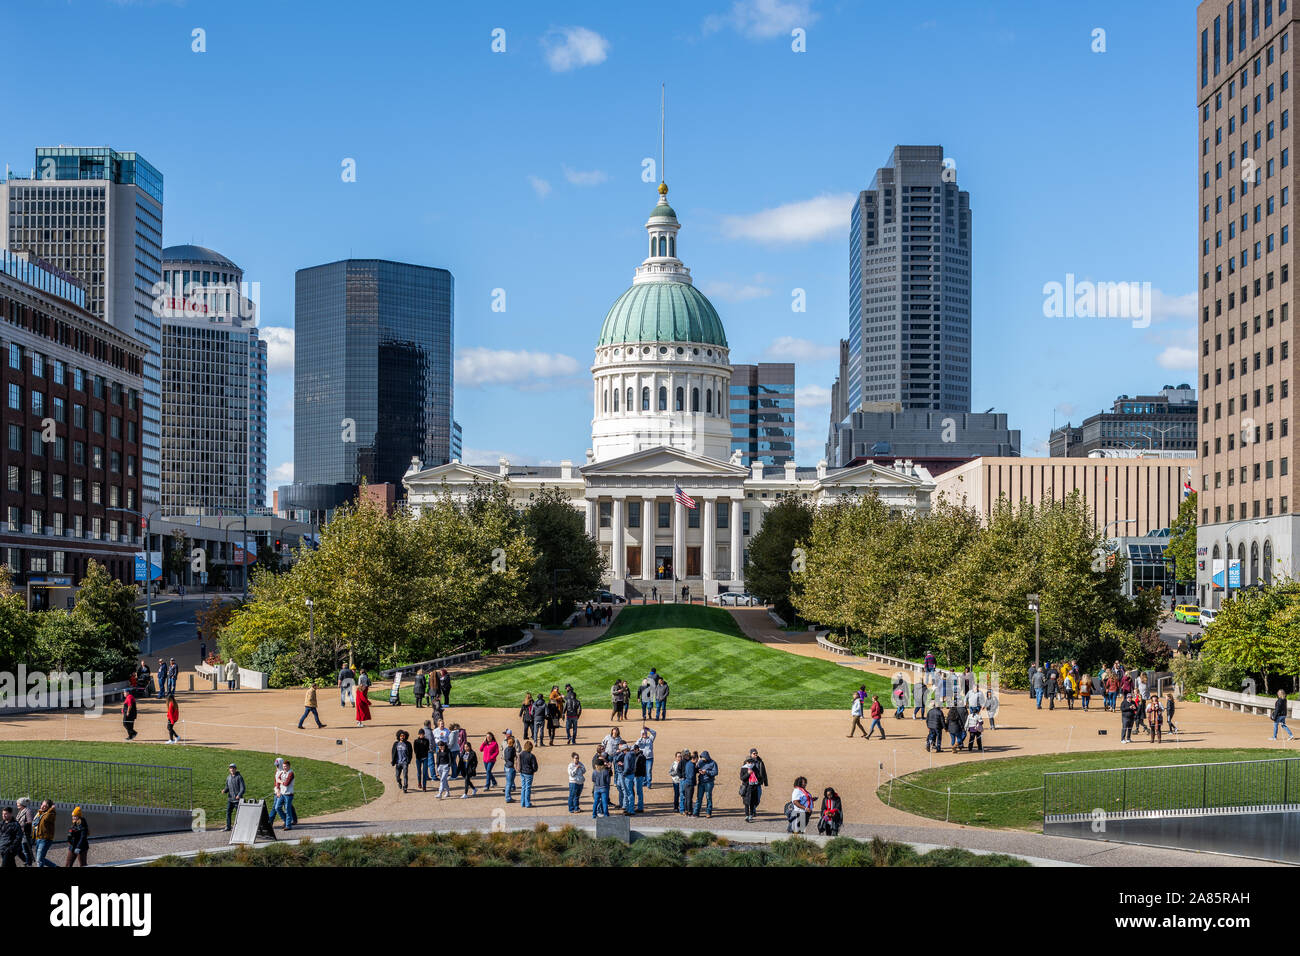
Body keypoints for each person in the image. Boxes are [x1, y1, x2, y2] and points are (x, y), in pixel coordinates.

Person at [693, 750, 717, 817]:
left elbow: (715, 772)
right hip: (701, 782)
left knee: (708, 797)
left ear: (706, 757)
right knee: (699, 798)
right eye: (701, 757)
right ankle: (696, 812)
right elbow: (696, 769)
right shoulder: (700, 762)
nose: (702, 759)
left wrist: (706, 772)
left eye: (703, 757)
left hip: (709, 782)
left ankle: (708, 812)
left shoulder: (713, 763)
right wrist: (698, 769)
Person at [33, 800, 57, 867]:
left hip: (45, 839)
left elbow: (47, 819)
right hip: (38, 838)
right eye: (42, 805)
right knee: (40, 858)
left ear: (49, 807)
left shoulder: (51, 813)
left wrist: (52, 809)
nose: (42, 807)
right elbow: (34, 823)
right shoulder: (40, 813)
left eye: (45, 806)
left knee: (39, 859)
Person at [222, 763, 245, 831]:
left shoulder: (239, 777)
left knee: (240, 814)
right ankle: (228, 827)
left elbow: (243, 788)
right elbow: (227, 787)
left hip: (238, 800)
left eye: (233, 768)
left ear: (235, 769)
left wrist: (239, 795)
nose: (231, 769)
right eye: (230, 768)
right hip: (230, 799)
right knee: (228, 813)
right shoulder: (228, 777)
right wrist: (224, 790)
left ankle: (242, 826)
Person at [518, 740, 538, 807]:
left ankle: (522, 802)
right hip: (529, 773)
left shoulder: (521, 754)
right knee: (528, 788)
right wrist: (534, 770)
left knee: (523, 787)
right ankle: (527, 803)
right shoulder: (531, 756)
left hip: (522, 772)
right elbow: (535, 766)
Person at [14, 797, 33, 866]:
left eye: (18, 803)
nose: (17, 804)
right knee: (18, 850)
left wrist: (22, 824)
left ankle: (28, 864)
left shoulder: (28, 811)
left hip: (25, 834)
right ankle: (27, 861)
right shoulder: (20, 812)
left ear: (22, 804)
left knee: (26, 850)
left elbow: (30, 822)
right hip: (19, 834)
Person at [677, 749, 697, 815]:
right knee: (683, 796)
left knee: (688, 796)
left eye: (688, 754)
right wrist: (681, 777)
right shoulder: (682, 762)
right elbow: (678, 770)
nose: (687, 755)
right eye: (686, 754)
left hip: (687, 780)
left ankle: (687, 809)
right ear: (684, 755)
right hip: (684, 780)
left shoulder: (691, 761)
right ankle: (682, 810)